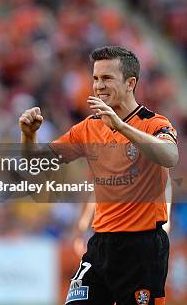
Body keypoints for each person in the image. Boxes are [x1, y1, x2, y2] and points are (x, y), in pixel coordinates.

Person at [19, 46, 178, 305]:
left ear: (130, 83)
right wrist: (28, 135)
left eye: (106, 78)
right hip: (101, 245)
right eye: (95, 78)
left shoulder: (154, 123)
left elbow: (170, 157)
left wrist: (121, 126)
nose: (98, 86)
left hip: (142, 247)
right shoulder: (88, 128)